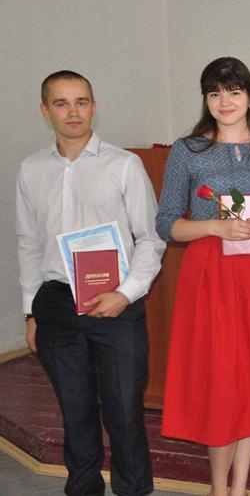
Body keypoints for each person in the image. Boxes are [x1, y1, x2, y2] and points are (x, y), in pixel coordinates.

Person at [156, 57, 250, 496]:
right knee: (222, 379)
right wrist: (215, 227)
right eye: (215, 93)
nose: (225, 101)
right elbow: (166, 223)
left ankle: (238, 487)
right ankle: (218, 488)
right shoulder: (187, 150)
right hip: (210, 277)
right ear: (206, 99)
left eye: (234, 91)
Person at [16, 70, 166, 496]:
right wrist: (31, 311)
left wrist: (125, 293)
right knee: (75, 412)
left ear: (94, 107)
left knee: (124, 413)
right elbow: (28, 242)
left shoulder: (123, 165)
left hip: (115, 305)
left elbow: (151, 238)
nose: (73, 112)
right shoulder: (31, 169)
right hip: (56, 306)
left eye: (81, 101)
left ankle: (132, 490)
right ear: (45, 111)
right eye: (61, 103)